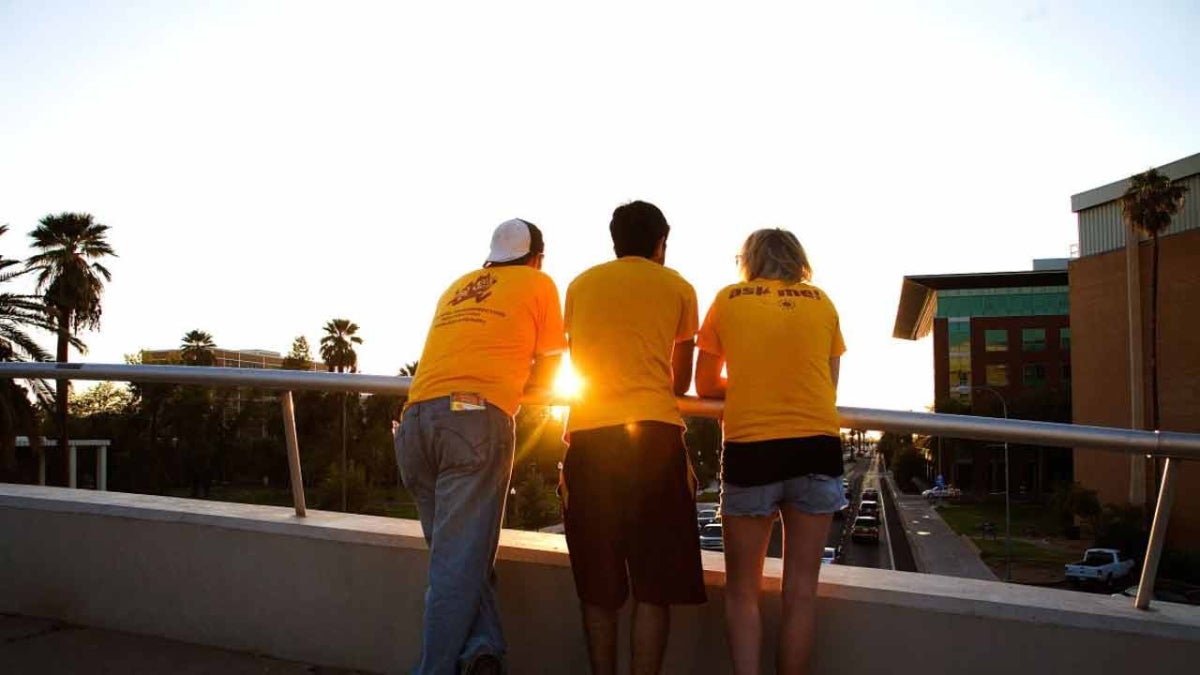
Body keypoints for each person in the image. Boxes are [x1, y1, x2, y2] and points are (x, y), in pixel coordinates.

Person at [396, 218, 566, 675]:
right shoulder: (538, 283)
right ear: (537, 257)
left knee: (459, 560)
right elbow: (550, 371)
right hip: (472, 420)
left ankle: (481, 654)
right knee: (456, 569)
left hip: (414, 422)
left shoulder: (459, 285)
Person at [560, 200, 706, 675]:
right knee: (654, 585)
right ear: (661, 243)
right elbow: (680, 383)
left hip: (588, 437)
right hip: (655, 440)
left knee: (598, 587)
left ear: (614, 241)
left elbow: (579, 359)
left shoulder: (580, 285)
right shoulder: (679, 287)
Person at [694, 228, 846, 675]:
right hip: (817, 448)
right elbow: (829, 384)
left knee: (743, 592)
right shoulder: (822, 302)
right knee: (801, 591)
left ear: (749, 259)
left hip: (753, 450)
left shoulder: (728, 298)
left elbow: (704, 386)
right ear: (799, 260)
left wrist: (747, 386)